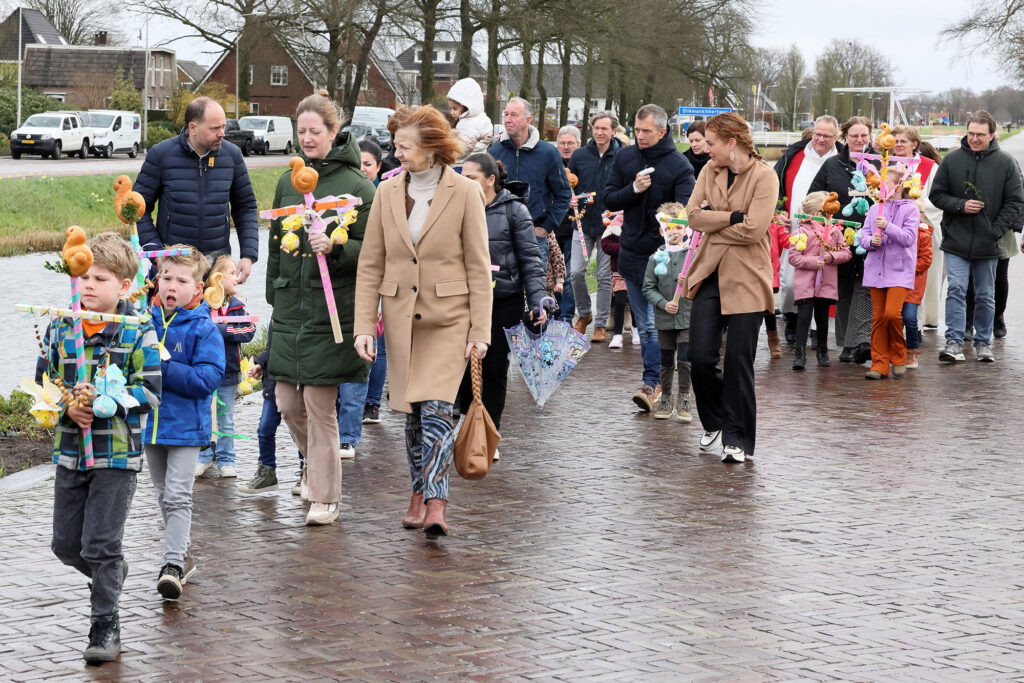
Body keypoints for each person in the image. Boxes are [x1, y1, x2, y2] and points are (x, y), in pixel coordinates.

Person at [354, 105, 492, 539]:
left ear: (431, 148)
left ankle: (436, 500)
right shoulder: (387, 193)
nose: (396, 154)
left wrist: (480, 333)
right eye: (394, 146)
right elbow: (371, 264)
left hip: (449, 319)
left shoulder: (466, 193)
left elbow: (478, 267)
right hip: (399, 320)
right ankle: (418, 491)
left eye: (404, 147)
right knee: (413, 414)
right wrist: (363, 325)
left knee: (435, 408)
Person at [41, 232, 161, 664]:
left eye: (101, 278)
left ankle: (105, 625)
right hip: (70, 450)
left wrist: (107, 402)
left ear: (124, 286)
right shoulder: (60, 325)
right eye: (84, 276)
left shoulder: (139, 330)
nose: (89, 285)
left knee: (101, 545)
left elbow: (149, 392)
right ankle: (110, 574)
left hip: (115, 453)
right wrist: (68, 407)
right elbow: (45, 381)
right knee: (66, 545)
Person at [266, 90, 375, 527]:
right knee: (286, 400)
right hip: (292, 305)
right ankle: (317, 463)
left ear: (334, 132)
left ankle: (326, 496)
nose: (307, 138)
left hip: (334, 309)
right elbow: (277, 242)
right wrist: (275, 291)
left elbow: (373, 251)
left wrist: (336, 247)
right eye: (301, 130)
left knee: (317, 402)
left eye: (316, 131)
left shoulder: (358, 187)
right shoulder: (287, 180)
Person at [684, 111, 778, 464]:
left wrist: (716, 222)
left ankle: (737, 440)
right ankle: (717, 422)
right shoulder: (709, 171)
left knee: (739, 362)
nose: (706, 150)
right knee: (699, 357)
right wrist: (733, 218)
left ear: (731, 143)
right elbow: (692, 217)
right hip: (710, 271)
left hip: (748, 278)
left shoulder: (765, 177)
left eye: (711, 144)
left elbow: (755, 230)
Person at [145, 246, 225, 601]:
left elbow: (207, 379)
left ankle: (173, 564)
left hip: (186, 429)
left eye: (181, 280)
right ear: (156, 280)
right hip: (150, 426)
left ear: (197, 288)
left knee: (178, 495)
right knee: (163, 495)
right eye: (166, 278)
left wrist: (163, 368)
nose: (171, 286)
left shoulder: (204, 328)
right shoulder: (143, 321)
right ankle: (184, 555)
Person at [604, 103, 695, 411]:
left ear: (662, 130)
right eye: (636, 129)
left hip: (663, 260)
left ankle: (661, 384)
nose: (639, 136)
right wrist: (633, 189)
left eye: (646, 131)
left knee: (656, 325)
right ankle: (654, 383)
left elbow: (684, 214)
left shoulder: (679, 165)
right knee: (644, 325)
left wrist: (666, 223)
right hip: (630, 253)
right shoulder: (625, 156)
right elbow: (609, 197)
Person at [457, 153, 546, 440]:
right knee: (462, 365)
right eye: (462, 176)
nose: (464, 182)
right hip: (461, 298)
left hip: (502, 299)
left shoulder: (515, 211)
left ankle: (487, 433)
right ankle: (466, 422)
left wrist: (537, 300)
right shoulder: (455, 206)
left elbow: (530, 259)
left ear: (491, 179)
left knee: (494, 367)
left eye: (471, 178)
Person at [930, 110, 1024, 363]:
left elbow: (1015, 201)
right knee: (957, 289)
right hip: (956, 239)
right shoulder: (952, 161)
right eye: (970, 133)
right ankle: (954, 341)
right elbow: (936, 195)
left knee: (985, 293)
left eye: (980, 135)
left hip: (988, 241)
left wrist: (994, 231)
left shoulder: (1005, 163)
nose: (974, 139)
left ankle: (984, 343)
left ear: (992, 135)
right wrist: (961, 205)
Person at [134, 97, 259, 284]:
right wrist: (157, 255)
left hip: (216, 266)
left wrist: (248, 255)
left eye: (223, 127)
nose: (222, 134)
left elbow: (246, 207)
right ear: (193, 128)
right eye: (215, 128)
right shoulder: (160, 155)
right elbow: (137, 209)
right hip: (172, 267)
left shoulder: (232, 156)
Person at [808, 116, 875, 364]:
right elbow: (814, 196)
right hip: (840, 235)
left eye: (864, 135)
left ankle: (861, 341)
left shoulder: (879, 162)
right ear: (845, 137)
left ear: (870, 137)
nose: (859, 140)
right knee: (845, 288)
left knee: (866, 287)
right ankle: (847, 344)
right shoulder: (832, 165)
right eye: (854, 135)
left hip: (872, 236)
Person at [774, 115, 841, 344]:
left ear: (836, 137)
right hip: (795, 230)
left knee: (823, 283)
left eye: (826, 136)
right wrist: (779, 209)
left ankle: (816, 330)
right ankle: (791, 319)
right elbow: (775, 187)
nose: (820, 139)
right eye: (817, 134)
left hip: (828, 233)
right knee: (792, 281)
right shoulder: (792, 157)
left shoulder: (841, 159)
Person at [488, 97, 572, 272]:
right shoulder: (493, 152)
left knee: (534, 290)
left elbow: (564, 194)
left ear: (528, 120)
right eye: (506, 114)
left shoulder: (548, 153)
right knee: (502, 290)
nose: (507, 119)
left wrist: (546, 227)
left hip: (534, 236)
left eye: (513, 115)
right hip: (500, 237)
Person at [195, 256, 255, 479]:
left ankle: (226, 459)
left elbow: (249, 330)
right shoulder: (202, 304)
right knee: (204, 416)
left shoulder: (237, 307)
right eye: (231, 272)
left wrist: (224, 330)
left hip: (228, 372)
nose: (236, 277)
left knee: (226, 418)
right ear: (216, 277)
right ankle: (203, 457)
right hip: (204, 371)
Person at [860, 163, 920, 379]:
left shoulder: (911, 208)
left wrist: (887, 227)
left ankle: (898, 354)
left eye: (886, 184)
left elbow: (908, 239)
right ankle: (879, 364)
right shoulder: (875, 208)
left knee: (891, 315)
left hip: (899, 271)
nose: (881, 187)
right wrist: (870, 241)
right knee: (878, 318)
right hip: (875, 270)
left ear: (899, 185)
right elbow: (863, 236)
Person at [569, 111, 622, 341]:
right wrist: (569, 197)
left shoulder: (621, 156)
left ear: (613, 131)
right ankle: (584, 314)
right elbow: (568, 183)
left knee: (602, 276)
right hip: (581, 223)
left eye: (604, 128)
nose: (600, 132)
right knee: (576, 272)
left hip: (608, 226)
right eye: (596, 128)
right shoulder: (580, 155)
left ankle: (600, 324)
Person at [238, 323, 305, 495]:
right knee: (265, 428)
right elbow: (273, 349)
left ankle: (307, 471)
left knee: (298, 430)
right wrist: (260, 364)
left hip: (295, 381)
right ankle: (267, 473)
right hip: (273, 382)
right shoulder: (276, 319)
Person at [787, 192, 852, 370]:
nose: (829, 216)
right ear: (816, 212)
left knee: (822, 319)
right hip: (806, 284)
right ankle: (799, 354)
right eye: (826, 212)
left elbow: (846, 252)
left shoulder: (835, 231)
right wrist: (812, 262)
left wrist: (831, 257)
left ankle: (822, 352)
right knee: (804, 318)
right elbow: (793, 257)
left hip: (825, 284)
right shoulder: (800, 231)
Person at [643, 202, 694, 423]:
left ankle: (684, 397)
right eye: (669, 228)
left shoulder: (693, 255)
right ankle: (665, 397)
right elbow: (648, 287)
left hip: (687, 317)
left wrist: (689, 280)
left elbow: (703, 282)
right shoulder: (656, 258)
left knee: (684, 359)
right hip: (664, 319)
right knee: (665, 360)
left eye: (679, 228)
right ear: (662, 230)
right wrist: (663, 304)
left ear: (687, 230)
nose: (674, 232)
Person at [891, 127, 943, 330]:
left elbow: (937, 199)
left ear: (915, 144)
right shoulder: (887, 163)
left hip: (923, 227)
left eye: (904, 141)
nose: (899, 145)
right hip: (892, 229)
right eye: (895, 141)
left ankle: (919, 323)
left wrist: (915, 205)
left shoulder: (929, 167)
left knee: (921, 277)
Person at [554, 125, 579, 322]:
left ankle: (566, 315)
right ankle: (554, 310)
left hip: (574, 226)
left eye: (570, 143)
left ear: (578, 144)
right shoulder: (551, 164)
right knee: (554, 273)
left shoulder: (581, 165)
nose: (566, 147)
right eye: (562, 143)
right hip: (553, 226)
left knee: (570, 274)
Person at [904, 212, 933, 369]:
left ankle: (911, 350)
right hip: (896, 282)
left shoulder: (923, 235)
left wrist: (906, 266)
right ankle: (895, 349)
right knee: (893, 317)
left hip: (914, 284)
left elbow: (926, 260)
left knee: (909, 317)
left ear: (921, 216)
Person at [600, 210, 633, 348]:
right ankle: (617, 335)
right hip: (619, 271)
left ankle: (636, 330)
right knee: (619, 300)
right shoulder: (614, 224)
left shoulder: (640, 221)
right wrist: (624, 249)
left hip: (636, 269)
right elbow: (605, 244)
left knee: (635, 301)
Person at [447, 77, 493, 162]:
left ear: (467, 107)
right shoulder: (481, 117)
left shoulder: (468, 123)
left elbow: (460, 152)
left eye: (455, 108)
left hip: (463, 166)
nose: (451, 112)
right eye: (450, 108)